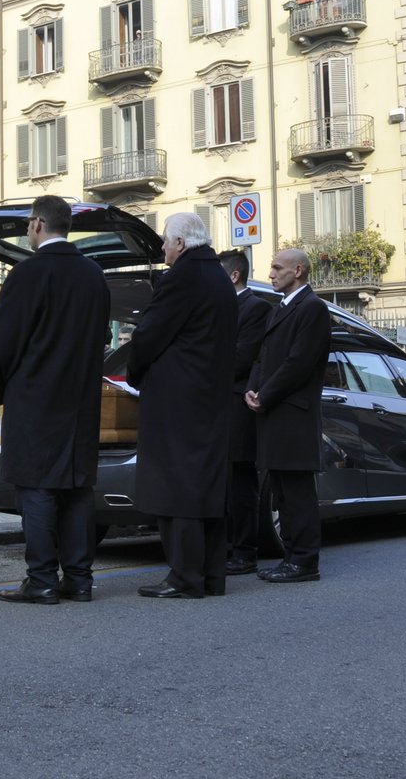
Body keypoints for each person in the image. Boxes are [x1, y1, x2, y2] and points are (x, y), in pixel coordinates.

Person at [0, 196, 110, 604]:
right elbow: (104, 339)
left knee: (37, 488)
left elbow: (3, 343)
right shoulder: (94, 274)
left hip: (35, 397)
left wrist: (3, 389)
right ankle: (79, 579)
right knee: (77, 487)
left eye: (28, 224)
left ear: (38, 223)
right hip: (81, 399)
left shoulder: (27, 273)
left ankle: (41, 579)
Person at [127, 213, 238, 600]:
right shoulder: (219, 277)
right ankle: (209, 576)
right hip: (210, 396)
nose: (161, 249)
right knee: (204, 484)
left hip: (177, 398)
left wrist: (135, 375)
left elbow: (148, 336)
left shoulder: (183, 277)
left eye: (163, 242)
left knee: (178, 488)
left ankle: (184, 577)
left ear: (179, 243)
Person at [246, 247, 330, 583]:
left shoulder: (312, 308)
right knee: (281, 491)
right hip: (275, 412)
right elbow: (263, 357)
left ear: (298, 270)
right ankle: (291, 557)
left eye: (277, 268)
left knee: (297, 492)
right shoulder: (281, 308)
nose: (271, 274)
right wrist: (251, 390)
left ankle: (304, 561)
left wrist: (264, 395)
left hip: (293, 414)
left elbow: (298, 363)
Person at [221, 248, 270, 575]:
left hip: (237, 404)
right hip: (216, 405)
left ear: (233, 275)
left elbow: (241, 358)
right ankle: (225, 546)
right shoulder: (220, 308)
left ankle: (244, 550)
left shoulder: (255, 309)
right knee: (223, 481)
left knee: (240, 481)